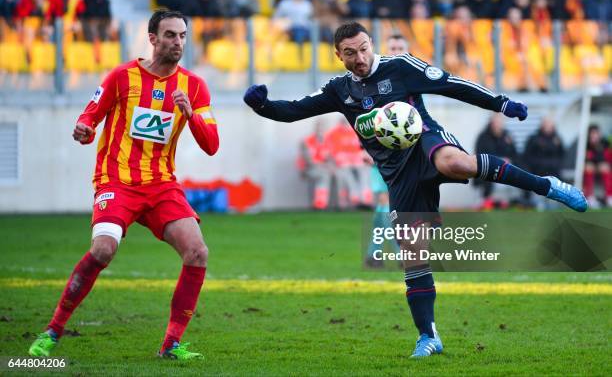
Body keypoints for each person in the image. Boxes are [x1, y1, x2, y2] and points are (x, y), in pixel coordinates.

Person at [243, 21, 587, 358]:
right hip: (396, 174)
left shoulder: (401, 67)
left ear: (370, 44)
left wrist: (500, 104)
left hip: (426, 142)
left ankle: (549, 187)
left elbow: (453, 85)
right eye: (350, 53)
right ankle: (428, 336)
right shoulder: (339, 89)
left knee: (456, 163)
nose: (359, 58)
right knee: (413, 252)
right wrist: (262, 105)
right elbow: (293, 111)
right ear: (338, 55)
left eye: (363, 49)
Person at [28, 10, 219, 360]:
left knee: (198, 252)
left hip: (161, 185)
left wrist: (190, 114)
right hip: (117, 180)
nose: (178, 42)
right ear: (152, 38)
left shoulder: (193, 86)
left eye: (182, 36)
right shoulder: (122, 76)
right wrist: (84, 130)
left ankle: (171, 345)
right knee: (103, 250)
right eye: (170, 35)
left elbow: (212, 145)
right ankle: (52, 331)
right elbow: (90, 116)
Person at [365, 34, 408, 268]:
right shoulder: (374, 80)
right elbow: (361, 115)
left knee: (392, 208)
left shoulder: (414, 82)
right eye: (392, 48)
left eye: (400, 48)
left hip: (406, 156)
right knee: (385, 205)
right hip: (380, 155)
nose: (396, 52)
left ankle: (375, 254)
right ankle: (400, 254)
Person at [474, 114, 519, 209]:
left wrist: (509, 160)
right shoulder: (483, 137)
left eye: (500, 122)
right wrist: (499, 160)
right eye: (496, 122)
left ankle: (511, 202)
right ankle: (488, 202)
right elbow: (480, 156)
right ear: (491, 122)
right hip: (488, 168)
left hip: (507, 168)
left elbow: (515, 154)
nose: (498, 125)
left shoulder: (508, 136)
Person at [523, 117, 565, 209]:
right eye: (546, 124)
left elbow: (562, 155)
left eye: (550, 124)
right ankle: (538, 202)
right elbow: (527, 156)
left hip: (554, 172)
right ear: (542, 125)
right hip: (538, 171)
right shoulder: (534, 138)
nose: (548, 126)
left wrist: (556, 164)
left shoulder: (557, 139)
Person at [298, 120, 334, 210]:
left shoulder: (327, 141)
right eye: (319, 127)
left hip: (322, 169)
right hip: (307, 169)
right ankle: (320, 204)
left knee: (336, 173)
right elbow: (308, 160)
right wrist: (324, 166)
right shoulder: (307, 141)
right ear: (315, 128)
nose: (321, 130)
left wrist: (331, 166)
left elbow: (330, 158)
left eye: (323, 128)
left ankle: (341, 205)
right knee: (324, 175)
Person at [584, 125, 612, 208]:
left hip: (601, 166)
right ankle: (590, 197)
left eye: (596, 133)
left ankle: (609, 196)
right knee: (588, 168)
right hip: (590, 167)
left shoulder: (604, 142)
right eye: (592, 133)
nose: (594, 135)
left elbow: (605, 157)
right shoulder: (585, 143)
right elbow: (584, 158)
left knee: (605, 168)